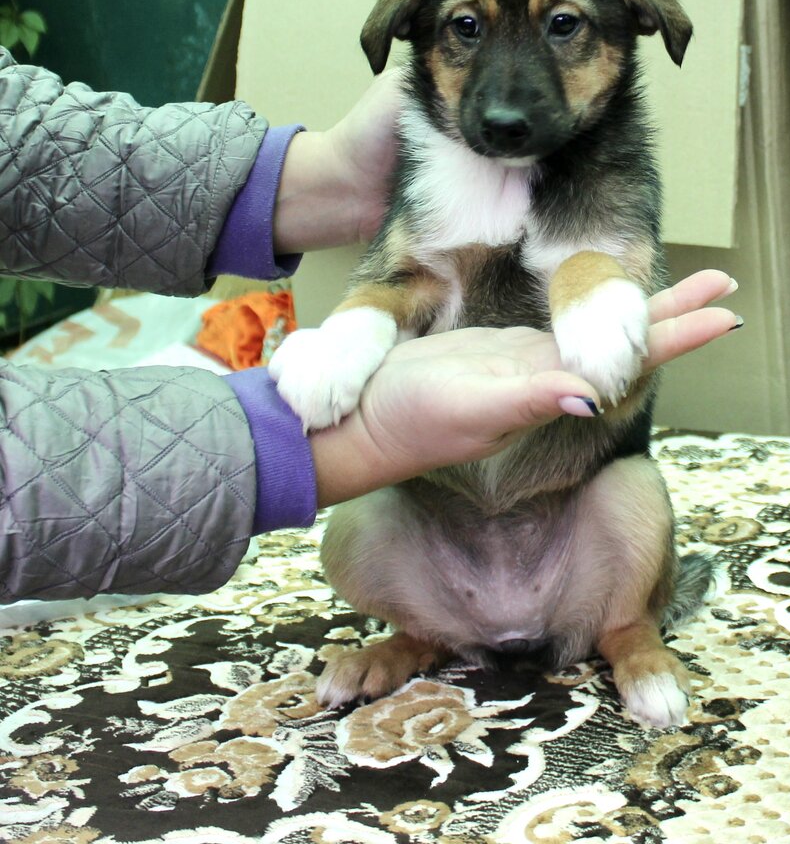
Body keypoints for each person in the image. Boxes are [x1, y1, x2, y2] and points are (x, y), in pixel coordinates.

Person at [0, 49, 740, 604]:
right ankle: (418, 634)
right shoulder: (442, 186)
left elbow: (24, 145)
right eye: (467, 29)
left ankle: (627, 632)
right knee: (358, 533)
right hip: (439, 520)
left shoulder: (609, 167)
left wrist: (327, 174)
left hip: (571, 507)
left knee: (633, 495)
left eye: (564, 27)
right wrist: (335, 387)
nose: (511, 95)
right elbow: (402, 277)